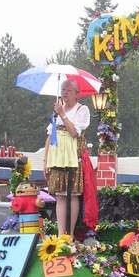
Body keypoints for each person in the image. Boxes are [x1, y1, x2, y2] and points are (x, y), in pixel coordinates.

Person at [43, 79, 90, 238]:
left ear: (77, 94)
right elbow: (50, 137)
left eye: (69, 90)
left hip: (72, 157)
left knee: (72, 194)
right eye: (63, 89)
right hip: (56, 157)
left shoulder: (82, 110)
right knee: (60, 195)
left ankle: (69, 234)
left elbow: (74, 133)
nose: (64, 93)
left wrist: (62, 114)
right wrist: (45, 161)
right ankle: (61, 233)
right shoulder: (57, 113)